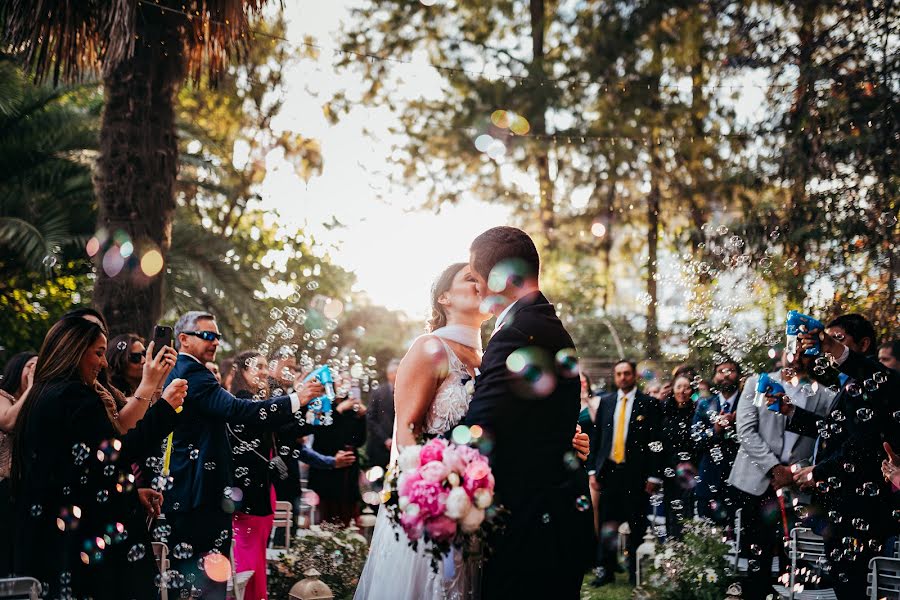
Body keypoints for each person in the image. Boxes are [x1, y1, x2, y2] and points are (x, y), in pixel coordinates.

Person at [10, 317, 187, 599]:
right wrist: (165, 408)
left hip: (59, 534)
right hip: (85, 542)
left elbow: (82, 468)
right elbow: (117, 453)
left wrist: (130, 492)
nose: (104, 363)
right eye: (99, 352)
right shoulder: (75, 397)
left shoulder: (44, 394)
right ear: (74, 351)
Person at [463, 226, 593, 599]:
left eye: (476, 276)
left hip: (529, 530)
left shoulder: (517, 333)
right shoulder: (544, 323)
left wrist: (421, 455)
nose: (476, 287)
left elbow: (478, 427)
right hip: (555, 519)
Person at [162, 311, 324, 599]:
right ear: (183, 339)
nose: (214, 342)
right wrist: (298, 397)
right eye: (207, 336)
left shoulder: (177, 371)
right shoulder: (195, 374)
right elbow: (241, 411)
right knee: (208, 580)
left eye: (217, 337)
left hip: (185, 488)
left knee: (186, 580)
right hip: (202, 493)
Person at [355, 262, 491, 600]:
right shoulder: (430, 348)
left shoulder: (487, 359)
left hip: (476, 500)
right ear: (444, 297)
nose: (482, 283)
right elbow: (407, 431)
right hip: (431, 501)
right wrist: (436, 493)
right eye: (470, 278)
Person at [777, 314, 899, 599]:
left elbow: (860, 443)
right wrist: (791, 412)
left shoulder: (880, 384)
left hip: (861, 505)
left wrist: (818, 472)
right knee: (844, 585)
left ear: (864, 344)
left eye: (839, 339)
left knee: (854, 586)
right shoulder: (849, 387)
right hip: (841, 501)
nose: (829, 347)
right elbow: (834, 429)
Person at [727, 350, 836, 600]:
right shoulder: (758, 383)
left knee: (795, 556)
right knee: (757, 555)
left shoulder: (824, 394)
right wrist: (774, 469)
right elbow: (745, 431)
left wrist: (795, 472)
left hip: (797, 484)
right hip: (756, 481)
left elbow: (825, 437)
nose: (796, 356)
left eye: (803, 350)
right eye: (791, 349)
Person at [589, 359, 662, 586]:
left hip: (636, 474)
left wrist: (653, 476)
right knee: (607, 524)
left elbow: (656, 441)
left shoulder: (648, 404)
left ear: (634, 376)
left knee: (636, 523)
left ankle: (634, 572)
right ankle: (606, 570)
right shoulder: (606, 402)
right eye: (619, 373)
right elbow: (598, 437)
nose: (622, 377)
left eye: (627, 373)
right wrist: (593, 470)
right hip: (609, 472)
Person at [307, 375, 367, 525]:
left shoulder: (353, 409)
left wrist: (362, 418)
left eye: (347, 381)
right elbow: (322, 439)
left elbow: (359, 441)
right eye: (341, 380)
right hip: (327, 470)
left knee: (347, 514)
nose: (344, 384)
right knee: (326, 515)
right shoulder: (323, 405)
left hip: (347, 469)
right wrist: (338, 411)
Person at [0, 351, 37, 575]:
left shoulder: (37, 404)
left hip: (24, 491)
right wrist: (33, 386)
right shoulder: (3, 395)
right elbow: (8, 421)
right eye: (31, 366)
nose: (35, 372)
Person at [693, 359, 742, 525]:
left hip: (741, 480)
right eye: (721, 371)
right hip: (709, 480)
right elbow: (696, 440)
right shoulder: (704, 405)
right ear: (714, 378)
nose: (726, 375)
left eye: (731, 370)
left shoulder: (748, 404)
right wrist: (715, 431)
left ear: (739, 376)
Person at [659, 375, 697, 540]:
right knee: (671, 509)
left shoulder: (696, 411)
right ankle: (673, 544)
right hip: (670, 469)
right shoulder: (663, 410)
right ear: (672, 389)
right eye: (679, 387)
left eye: (687, 387)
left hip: (691, 468)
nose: (682, 391)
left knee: (688, 509)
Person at [365, 359, 398, 469]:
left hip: (399, 448)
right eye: (396, 372)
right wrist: (385, 439)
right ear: (389, 375)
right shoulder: (378, 393)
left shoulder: (407, 392)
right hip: (379, 448)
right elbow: (370, 418)